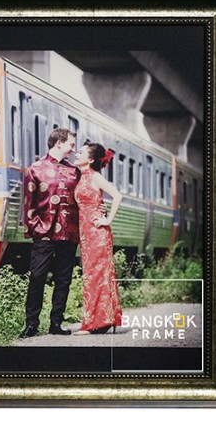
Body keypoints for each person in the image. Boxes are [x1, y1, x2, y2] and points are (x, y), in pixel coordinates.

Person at [19, 128, 80, 338]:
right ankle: (31, 324)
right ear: (59, 143)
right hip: (44, 234)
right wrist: (37, 229)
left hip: (69, 234)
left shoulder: (75, 172)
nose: (73, 150)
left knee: (64, 280)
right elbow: (28, 205)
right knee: (37, 277)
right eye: (71, 144)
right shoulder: (34, 170)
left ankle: (56, 323)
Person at [72, 141, 123, 334]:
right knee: (93, 276)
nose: (77, 154)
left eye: (81, 152)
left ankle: (94, 323)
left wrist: (107, 219)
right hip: (87, 234)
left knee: (96, 276)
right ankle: (103, 320)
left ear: (91, 159)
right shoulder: (82, 176)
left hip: (97, 233)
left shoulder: (95, 177)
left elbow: (117, 196)